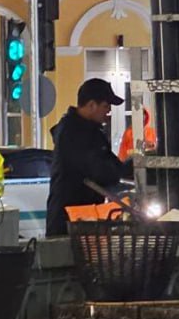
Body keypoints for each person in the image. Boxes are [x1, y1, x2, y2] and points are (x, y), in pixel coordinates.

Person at [45, 78, 130, 237]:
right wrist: (122, 172)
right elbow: (99, 170)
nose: (108, 111)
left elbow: (108, 163)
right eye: (106, 106)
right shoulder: (74, 134)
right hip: (69, 221)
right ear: (91, 105)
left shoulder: (89, 131)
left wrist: (126, 168)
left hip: (80, 219)